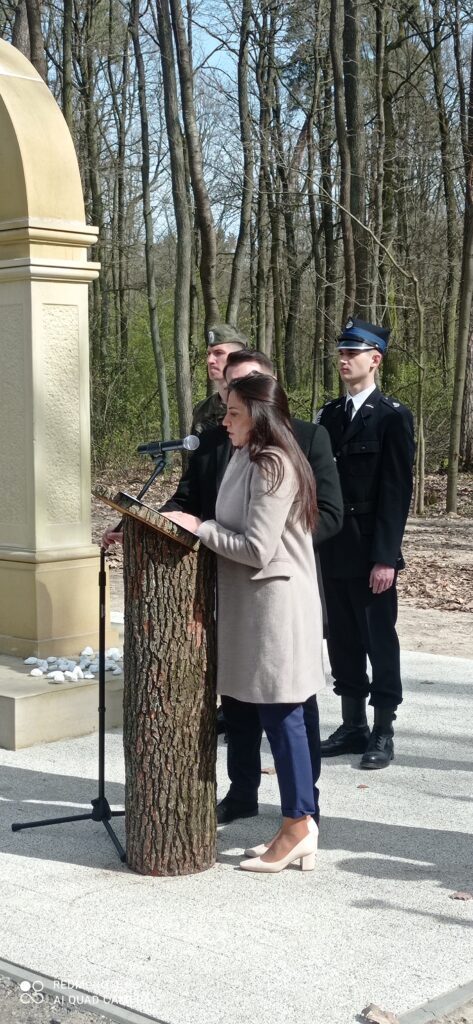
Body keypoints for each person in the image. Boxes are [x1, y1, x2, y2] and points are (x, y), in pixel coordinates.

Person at [160, 348, 343, 825]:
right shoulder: (229, 447)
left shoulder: (285, 452)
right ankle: (250, 797)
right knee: (242, 707)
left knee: (288, 713)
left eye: (235, 407)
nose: (225, 416)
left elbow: (281, 536)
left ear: (262, 399)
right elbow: (190, 502)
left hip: (275, 599)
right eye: (225, 400)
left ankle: (302, 817)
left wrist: (202, 529)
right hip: (241, 600)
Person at [318, 317, 415, 769]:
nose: (343, 359)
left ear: (375, 359)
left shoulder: (393, 417)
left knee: (379, 640)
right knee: (342, 640)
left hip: (371, 553)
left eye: (352, 353)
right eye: (340, 352)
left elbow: (395, 494)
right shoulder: (328, 417)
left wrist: (385, 558)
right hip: (333, 548)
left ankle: (382, 729)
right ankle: (352, 724)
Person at [191, 323, 248, 434]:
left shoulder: (256, 405)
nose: (210, 360)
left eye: (218, 353)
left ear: (239, 357)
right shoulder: (203, 409)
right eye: (208, 354)